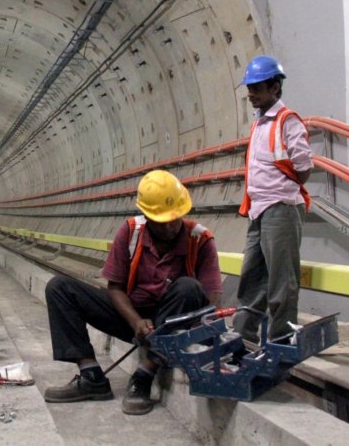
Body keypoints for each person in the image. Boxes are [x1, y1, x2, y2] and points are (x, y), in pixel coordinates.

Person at [44, 170, 222, 415]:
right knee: (60, 288)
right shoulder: (131, 232)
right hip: (132, 318)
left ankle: (144, 376)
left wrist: (185, 330)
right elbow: (115, 288)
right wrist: (136, 321)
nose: (171, 226)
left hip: (173, 323)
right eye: (162, 221)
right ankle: (91, 376)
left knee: (188, 287)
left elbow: (211, 300)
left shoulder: (199, 239)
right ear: (147, 216)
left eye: (175, 218)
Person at [232, 55, 313, 343]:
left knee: (281, 279)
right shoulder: (259, 122)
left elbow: (303, 168)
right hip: (259, 209)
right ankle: (242, 336)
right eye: (249, 88)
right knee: (252, 277)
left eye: (257, 88)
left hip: (281, 207)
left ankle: (282, 339)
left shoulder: (287, 121)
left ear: (275, 87)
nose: (251, 94)